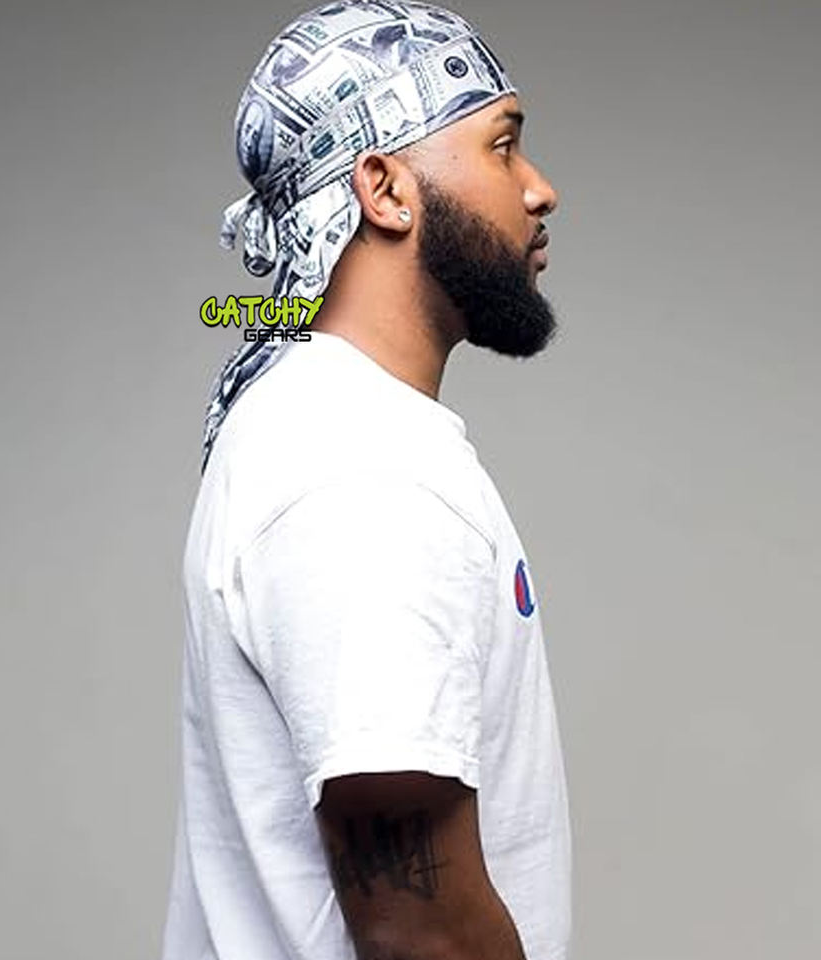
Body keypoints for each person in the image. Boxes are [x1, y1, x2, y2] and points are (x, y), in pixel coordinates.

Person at [161, 3, 572, 959]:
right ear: (385, 190)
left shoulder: (315, 426)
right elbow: (418, 931)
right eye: (503, 146)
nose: (540, 189)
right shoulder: (363, 471)